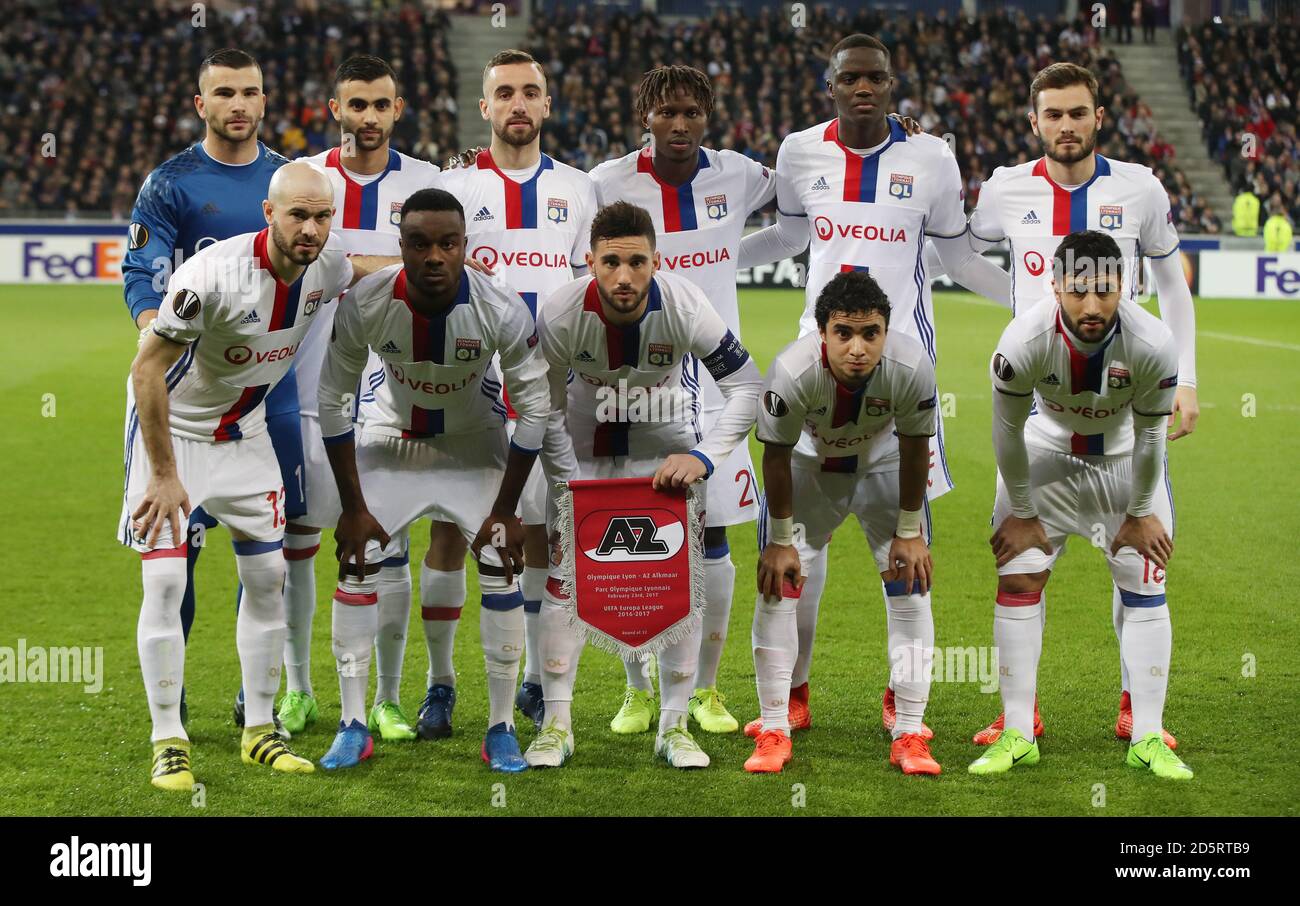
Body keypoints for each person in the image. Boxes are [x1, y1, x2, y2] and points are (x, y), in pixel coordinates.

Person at [735, 33, 1009, 740]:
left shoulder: (931, 156)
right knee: (802, 549)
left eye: (877, 79)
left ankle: (903, 702)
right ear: (830, 85)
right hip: (815, 371)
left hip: (905, 376)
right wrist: (694, 258)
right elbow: (789, 238)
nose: (865, 88)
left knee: (906, 550)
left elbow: (958, 256)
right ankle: (793, 692)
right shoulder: (798, 152)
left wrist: (1037, 301)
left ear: (893, 86)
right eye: (851, 77)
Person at [966, 62, 1196, 746]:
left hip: (1125, 398)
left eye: (1078, 112)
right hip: (1045, 400)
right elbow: (957, 248)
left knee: (1139, 563)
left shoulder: (1140, 187)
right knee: (1021, 567)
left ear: (1100, 117)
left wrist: (1186, 379)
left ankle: (1136, 708)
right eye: (1053, 115)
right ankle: (1020, 715)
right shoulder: (1004, 189)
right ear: (1033, 122)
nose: (1066, 125)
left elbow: (1172, 284)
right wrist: (1020, 307)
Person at [124, 163, 364, 789]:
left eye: (321, 216)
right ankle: (167, 739)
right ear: (269, 214)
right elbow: (146, 372)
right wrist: (165, 475)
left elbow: (361, 271)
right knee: (168, 582)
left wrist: (425, 271)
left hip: (246, 434)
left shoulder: (328, 264)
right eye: (297, 215)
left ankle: (260, 729)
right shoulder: (209, 278)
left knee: (268, 577)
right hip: (172, 435)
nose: (310, 229)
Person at [315, 188, 552, 772]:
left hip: (473, 445)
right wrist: (352, 506)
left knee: (499, 563)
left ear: (465, 246)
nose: (435, 257)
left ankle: (499, 727)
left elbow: (536, 410)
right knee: (358, 559)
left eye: (448, 243)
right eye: (419, 244)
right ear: (401, 247)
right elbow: (332, 399)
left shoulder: (501, 307)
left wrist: (507, 508)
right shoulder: (366, 301)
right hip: (390, 441)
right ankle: (353, 723)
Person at [524, 201, 761, 769]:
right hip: (583, 457)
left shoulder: (683, 303)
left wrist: (703, 456)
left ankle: (675, 727)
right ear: (590, 262)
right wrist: (569, 480)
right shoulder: (559, 312)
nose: (624, 277)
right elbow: (543, 406)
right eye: (611, 262)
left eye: (637, 262)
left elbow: (749, 387)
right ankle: (557, 725)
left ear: (657, 261)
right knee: (566, 582)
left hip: (664, 460)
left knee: (676, 584)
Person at [588, 64, 777, 736]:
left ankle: (705, 689)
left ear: (709, 116)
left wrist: (736, 256)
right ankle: (637, 686)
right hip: (635, 390)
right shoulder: (608, 183)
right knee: (631, 542)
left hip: (719, 390)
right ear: (646, 113)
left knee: (717, 537)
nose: (678, 124)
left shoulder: (742, 174)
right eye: (666, 111)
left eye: (692, 112)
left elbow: (813, 206)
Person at [970, 229, 1191, 781]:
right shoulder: (1021, 342)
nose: (1092, 306)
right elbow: (1006, 433)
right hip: (1044, 458)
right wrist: (1020, 510)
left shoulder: (1155, 343)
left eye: (1105, 290)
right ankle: (1019, 731)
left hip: (1122, 464)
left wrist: (1140, 512)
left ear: (1127, 285)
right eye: (1078, 290)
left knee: (1146, 584)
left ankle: (1146, 736)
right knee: (1019, 578)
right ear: (1055, 285)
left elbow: (1150, 438)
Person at [121, 48, 298, 731]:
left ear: (263, 99)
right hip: (187, 390)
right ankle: (177, 686)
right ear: (202, 104)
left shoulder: (287, 180)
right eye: (224, 92)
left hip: (268, 396)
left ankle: (261, 698)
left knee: (275, 551)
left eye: (250, 91)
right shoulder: (169, 183)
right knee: (178, 548)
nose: (239, 104)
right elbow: (142, 269)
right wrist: (158, 336)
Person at [433, 49, 598, 735]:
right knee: (449, 529)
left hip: (551, 389)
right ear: (485, 108)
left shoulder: (581, 189)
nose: (519, 104)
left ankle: (533, 679)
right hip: (466, 386)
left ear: (548, 105)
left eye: (532, 91)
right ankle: (440, 683)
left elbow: (591, 285)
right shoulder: (455, 188)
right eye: (505, 93)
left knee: (541, 533)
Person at [290, 54, 442, 741]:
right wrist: (380, 267)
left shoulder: (429, 182)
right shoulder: (307, 180)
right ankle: (292, 689)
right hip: (302, 380)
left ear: (399, 109)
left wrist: (347, 266)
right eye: (357, 105)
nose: (369, 118)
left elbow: (446, 265)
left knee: (388, 540)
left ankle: (385, 696)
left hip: (394, 386)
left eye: (381, 105)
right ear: (335, 111)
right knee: (292, 538)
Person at [748, 271, 940, 776]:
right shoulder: (791, 372)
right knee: (778, 585)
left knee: (911, 585)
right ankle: (774, 724)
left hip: (884, 469)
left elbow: (918, 448)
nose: (857, 348)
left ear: (885, 331)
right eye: (844, 333)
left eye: (870, 333)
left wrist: (909, 529)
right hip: (809, 471)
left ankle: (910, 729)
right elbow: (775, 456)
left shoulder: (912, 365)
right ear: (821, 333)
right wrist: (781, 541)